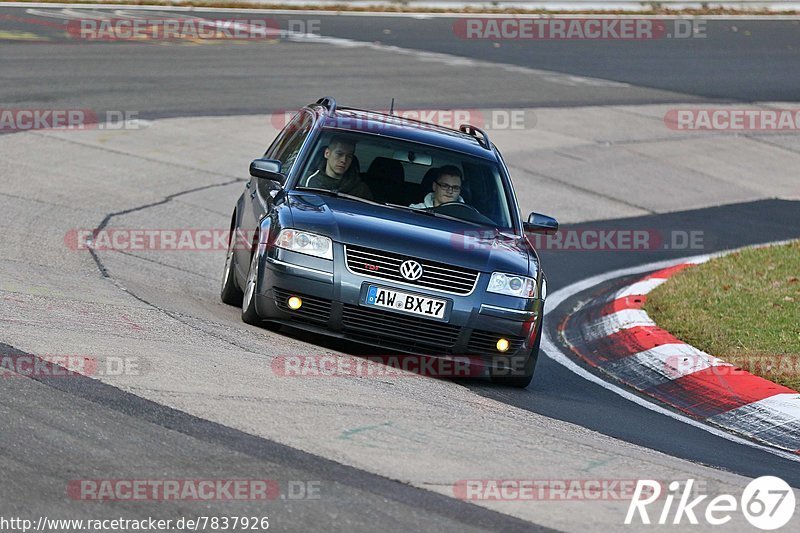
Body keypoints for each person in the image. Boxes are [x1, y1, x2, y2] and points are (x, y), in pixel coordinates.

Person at [304, 136, 373, 200]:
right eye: (339, 154)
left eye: (349, 156)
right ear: (327, 153)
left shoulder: (361, 190)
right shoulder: (306, 180)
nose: (344, 160)